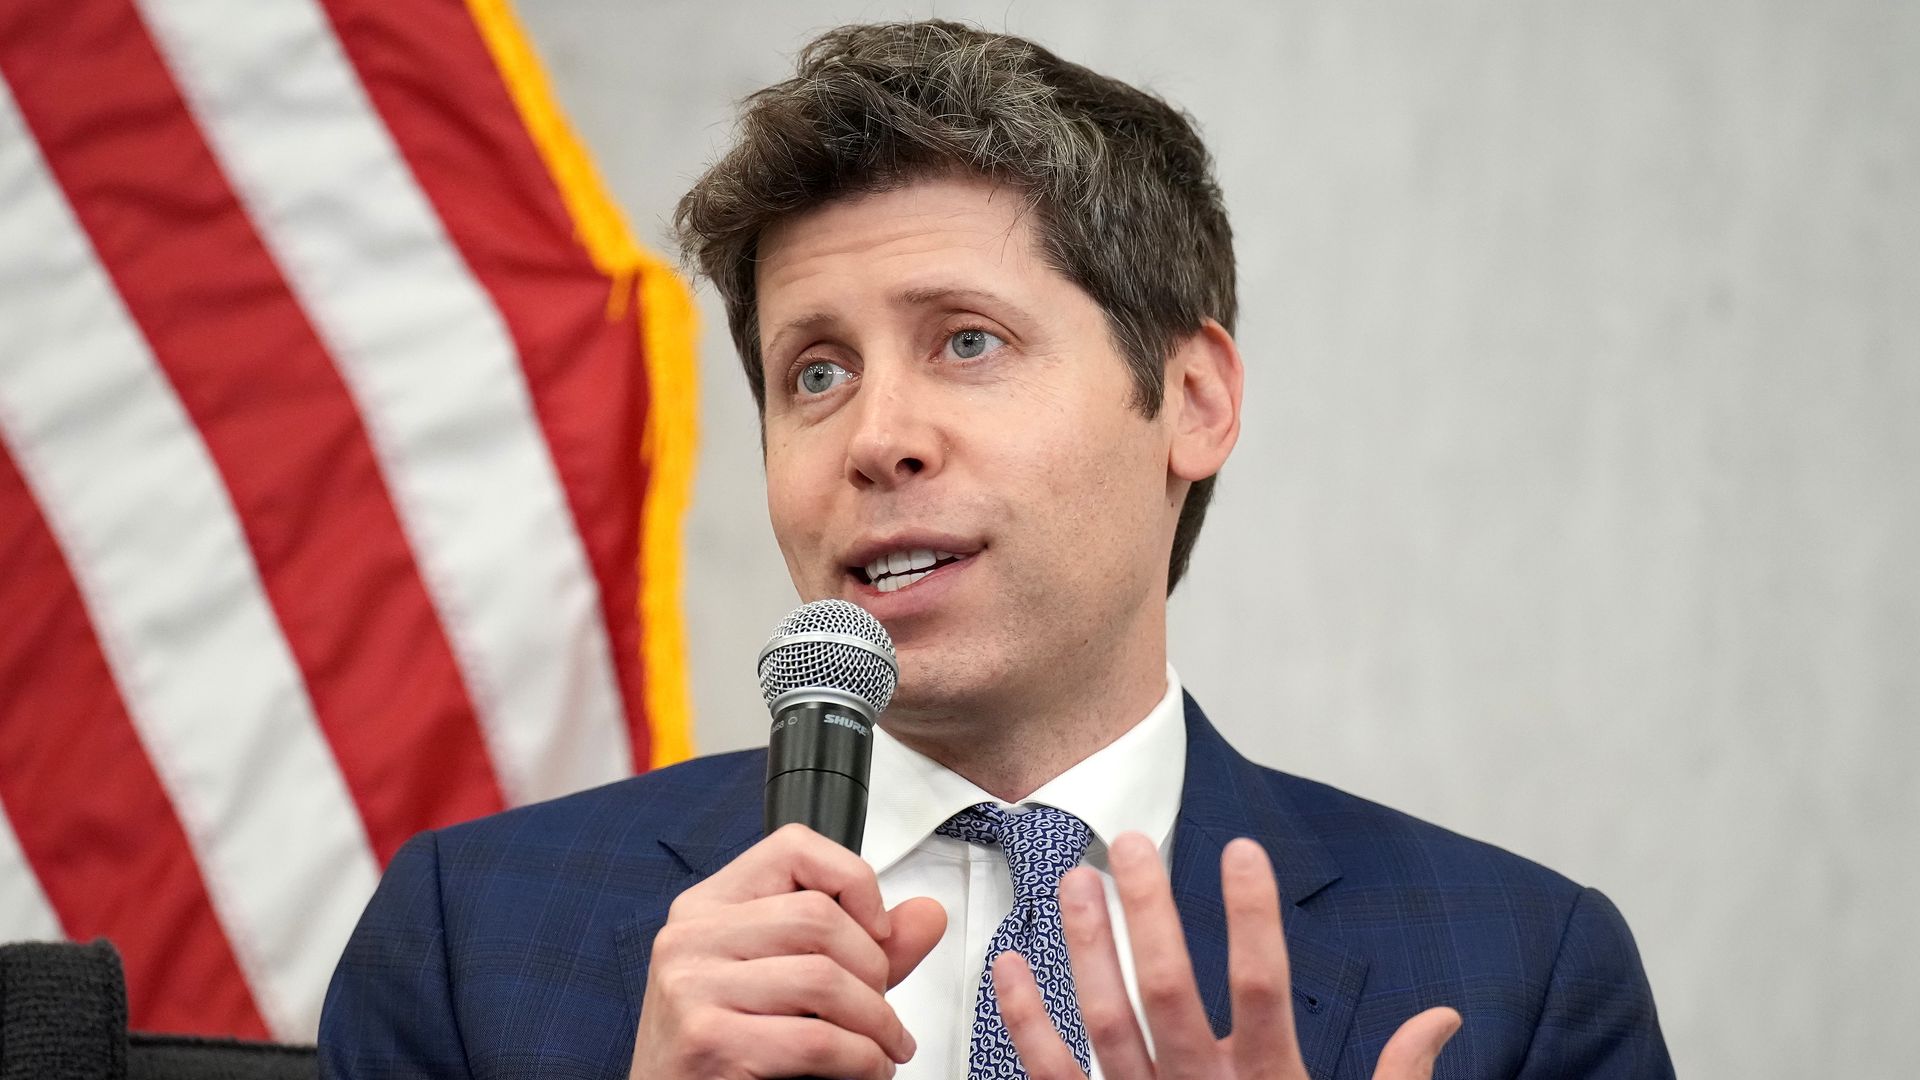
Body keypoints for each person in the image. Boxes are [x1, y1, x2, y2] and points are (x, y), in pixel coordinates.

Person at [319, 20, 1672, 1080]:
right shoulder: (465, 939)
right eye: (816, 371)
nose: (875, 438)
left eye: (969, 341)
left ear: (1190, 400)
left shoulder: (1518, 976)